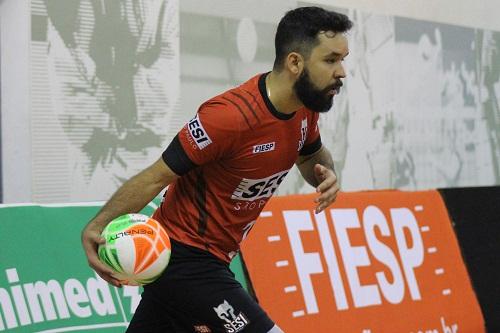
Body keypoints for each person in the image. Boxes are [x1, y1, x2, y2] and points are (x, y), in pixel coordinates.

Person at [82, 6, 352, 333]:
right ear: (295, 62)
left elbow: (310, 159)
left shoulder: (304, 111)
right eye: (331, 60)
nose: (342, 71)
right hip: (183, 258)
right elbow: (156, 176)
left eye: (343, 60)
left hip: (211, 261)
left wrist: (327, 174)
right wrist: (96, 227)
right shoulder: (228, 117)